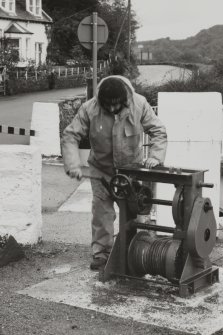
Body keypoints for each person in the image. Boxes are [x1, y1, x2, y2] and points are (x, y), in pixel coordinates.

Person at [61, 75, 167, 270]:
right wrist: (73, 163)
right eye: (106, 105)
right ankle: (101, 253)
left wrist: (156, 156)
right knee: (102, 213)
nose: (110, 109)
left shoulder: (139, 104)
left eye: (115, 105)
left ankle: (133, 251)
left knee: (133, 213)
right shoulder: (89, 108)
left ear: (125, 99)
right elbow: (70, 135)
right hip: (101, 170)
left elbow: (158, 130)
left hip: (130, 171)